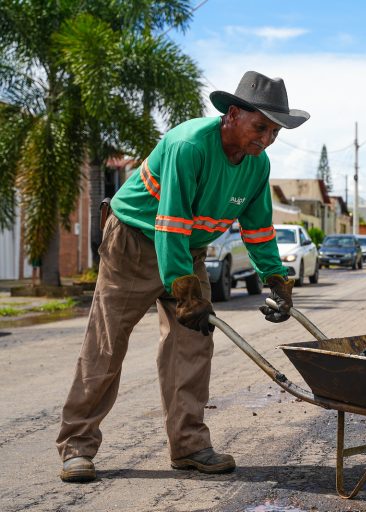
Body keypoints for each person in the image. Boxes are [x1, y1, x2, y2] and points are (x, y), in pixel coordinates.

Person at [56, 71, 309, 482]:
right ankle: (76, 447)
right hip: (134, 243)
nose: (266, 138)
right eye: (260, 126)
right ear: (232, 115)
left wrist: (276, 278)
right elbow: (169, 222)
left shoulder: (257, 165)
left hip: (187, 250)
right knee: (106, 344)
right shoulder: (189, 145)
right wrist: (185, 288)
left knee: (192, 346)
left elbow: (259, 230)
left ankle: (189, 446)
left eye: (275, 131)